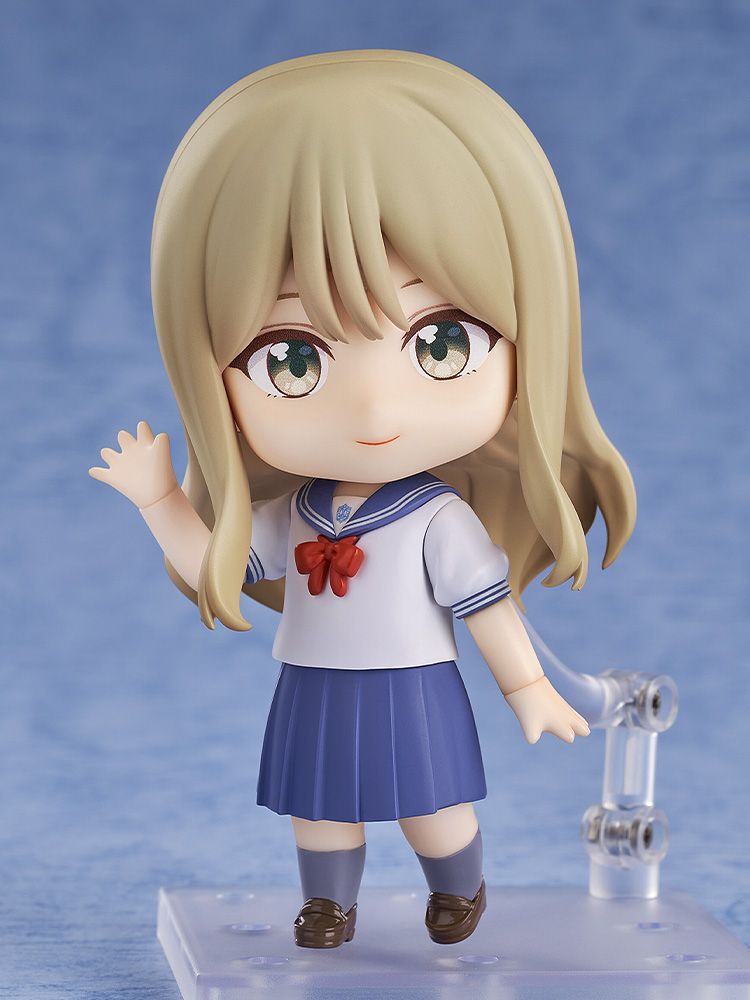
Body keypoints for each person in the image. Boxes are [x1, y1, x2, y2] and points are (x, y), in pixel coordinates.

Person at [90, 50, 635, 949]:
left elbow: (487, 607)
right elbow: (216, 565)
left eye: (440, 344)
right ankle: (327, 903)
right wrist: (159, 503)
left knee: (431, 804)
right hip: (312, 680)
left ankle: (457, 888)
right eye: (292, 359)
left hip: (413, 681)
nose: (375, 411)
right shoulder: (294, 514)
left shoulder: (436, 519)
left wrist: (529, 688)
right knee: (319, 809)